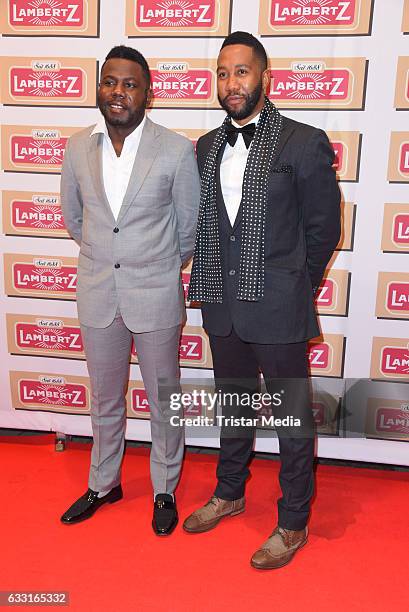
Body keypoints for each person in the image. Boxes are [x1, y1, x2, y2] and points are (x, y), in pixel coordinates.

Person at [184, 32, 341, 568]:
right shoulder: (205, 146)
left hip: (278, 307)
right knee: (233, 406)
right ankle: (230, 492)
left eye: (242, 72)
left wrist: (296, 284)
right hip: (221, 306)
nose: (232, 83)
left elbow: (323, 229)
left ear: (265, 78)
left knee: (293, 420)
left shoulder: (303, 141)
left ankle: (294, 521)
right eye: (223, 73)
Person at [60, 45, 200, 535]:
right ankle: (104, 482)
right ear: (100, 87)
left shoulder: (177, 149)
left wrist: (153, 264)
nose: (118, 93)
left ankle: (165, 487)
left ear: (148, 93)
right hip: (99, 292)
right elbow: (75, 220)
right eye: (110, 82)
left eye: (130, 84)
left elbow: (188, 228)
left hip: (155, 292)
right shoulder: (77, 147)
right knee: (105, 399)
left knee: (165, 398)